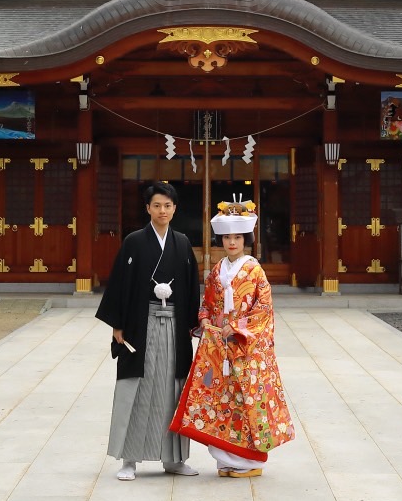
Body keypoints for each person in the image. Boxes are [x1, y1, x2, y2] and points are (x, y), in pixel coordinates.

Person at [170, 197, 296, 477]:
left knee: (245, 401)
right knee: (223, 401)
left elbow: (263, 309)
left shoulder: (254, 270)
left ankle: (250, 461)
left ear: (246, 239)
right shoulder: (217, 270)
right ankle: (227, 459)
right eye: (227, 237)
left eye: (237, 237)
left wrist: (238, 327)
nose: (231, 243)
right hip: (219, 348)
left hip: (246, 349)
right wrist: (203, 318)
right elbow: (209, 302)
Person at [96, 181, 201, 481]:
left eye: (168, 206)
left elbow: (192, 287)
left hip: (175, 326)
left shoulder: (181, 243)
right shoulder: (133, 242)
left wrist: (194, 323)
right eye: (157, 205)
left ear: (175, 209)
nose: (162, 210)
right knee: (137, 389)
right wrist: (118, 324)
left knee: (174, 388)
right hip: (140, 326)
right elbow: (119, 283)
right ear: (147, 208)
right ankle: (129, 459)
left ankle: (175, 459)